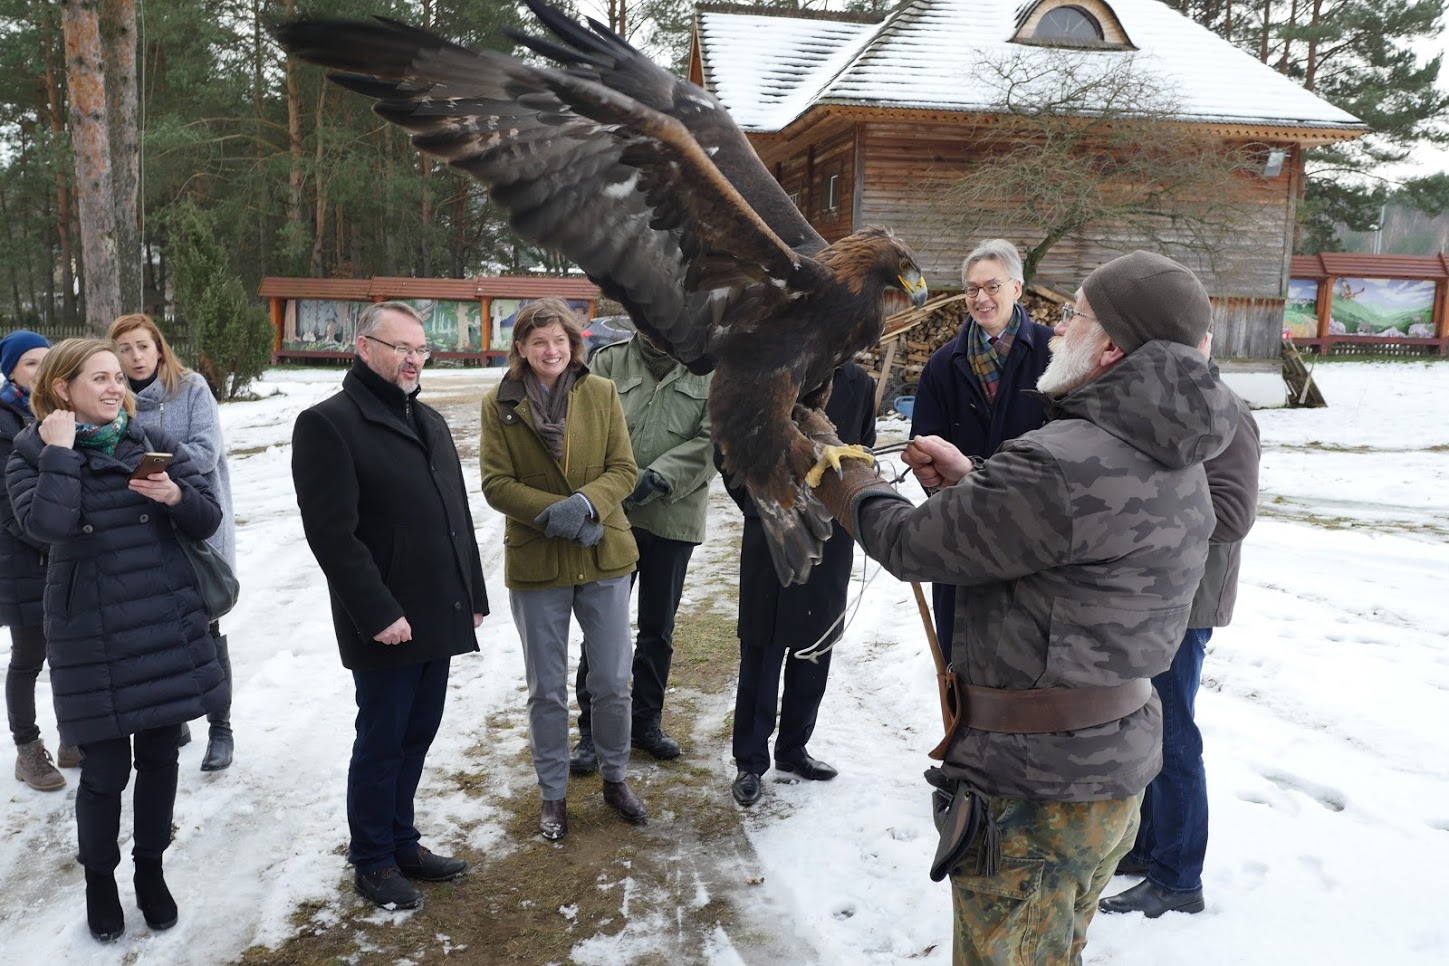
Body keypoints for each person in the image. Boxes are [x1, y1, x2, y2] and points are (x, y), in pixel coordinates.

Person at [802, 251, 1237, 964]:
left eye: (1076, 316)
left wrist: (835, 469)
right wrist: (973, 486)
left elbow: (910, 544)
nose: (1059, 326)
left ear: (1113, 346)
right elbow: (1073, 545)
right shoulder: (1176, 452)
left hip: (1035, 792)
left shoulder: (1059, 461)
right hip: (1110, 774)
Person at [6, 338, 227, 943]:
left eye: (116, 378)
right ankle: (99, 881)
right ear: (61, 390)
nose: (114, 388)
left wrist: (177, 496)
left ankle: (151, 871)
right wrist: (59, 453)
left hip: (161, 623)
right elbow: (45, 527)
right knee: (104, 773)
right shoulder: (31, 454)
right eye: (98, 378)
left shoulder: (148, 441)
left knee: (160, 761)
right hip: (92, 635)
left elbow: (208, 517)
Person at [292, 301, 487, 911]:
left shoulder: (428, 420)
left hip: (437, 608)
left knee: (418, 734)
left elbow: (456, 517)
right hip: (384, 620)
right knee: (382, 741)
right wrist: (377, 613)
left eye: (420, 348)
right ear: (364, 347)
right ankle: (372, 860)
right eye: (399, 346)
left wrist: (473, 594)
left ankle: (403, 842)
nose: (411, 358)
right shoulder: (328, 423)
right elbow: (332, 535)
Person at [479, 297, 647, 842]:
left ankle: (616, 777)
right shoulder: (499, 404)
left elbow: (625, 468)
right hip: (538, 562)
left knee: (613, 681)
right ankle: (553, 793)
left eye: (559, 341)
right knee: (546, 689)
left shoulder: (601, 393)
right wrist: (554, 515)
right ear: (522, 350)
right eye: (538, 343)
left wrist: (587, 505)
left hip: (604, 556)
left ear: (574, 344)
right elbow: (495, 484)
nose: (550, 351)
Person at [1099, 366, 1261, 918]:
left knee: (1172, 735)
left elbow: (1234, 516)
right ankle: (1148, 850)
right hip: (1154, 595)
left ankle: (1178, 878)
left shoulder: (1228, 413)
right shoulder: (1161, 402)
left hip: (1188, 604)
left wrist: (1141, 505)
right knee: (1148, 728)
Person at [723, 362, 875, 806]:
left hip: (832, 532)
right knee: (761, 649)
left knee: (816, 646)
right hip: (773, 533)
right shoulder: (766, 374)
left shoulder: (858, 383)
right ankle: (750, 761)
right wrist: (760, 507)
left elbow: (859, 448)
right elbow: (727, 452)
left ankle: (794, 748)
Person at [569, 331, 715, 773]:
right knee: (602, 624)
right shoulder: (610, 361)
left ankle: (646, 723)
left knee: (658, 626)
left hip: (674, 516)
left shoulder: (710, 369)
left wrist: (659, 476)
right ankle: (593, 729)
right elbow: (586, 424)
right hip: (612, 515)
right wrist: (615, 481)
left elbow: (715, 439)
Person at [909, 239, 1053, 655]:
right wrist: (930, 473)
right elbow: (926, 444)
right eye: (972, 289)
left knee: (1024, 660)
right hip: (961, 534)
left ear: (1017, 288)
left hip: (1035, 538)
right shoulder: (942, 364)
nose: (981, 298)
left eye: (992, 286)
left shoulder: (1050, 355)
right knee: (960, 658)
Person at [108, 314, 238, 771]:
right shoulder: (113, 396)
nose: (135, 356)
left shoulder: (192, 387)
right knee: (160, 626)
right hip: (144, 529)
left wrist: (155, 462)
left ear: (159, 348)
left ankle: (221, 727)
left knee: (206, 624)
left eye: (142, 346)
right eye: (124, 348)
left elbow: (206, 453)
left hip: (196, 518)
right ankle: (177, 716)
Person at [0, 330, 79, 790]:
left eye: (47, 362)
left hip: (61, 552)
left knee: (69, 651)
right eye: (30, 363)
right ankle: (28, 750)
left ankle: (72, 736)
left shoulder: (60, 414)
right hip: (22, 559)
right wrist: (55, 538)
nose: (40, 371)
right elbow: (8, 505)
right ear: (10, 370)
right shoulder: (4, 420)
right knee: (30, 656)